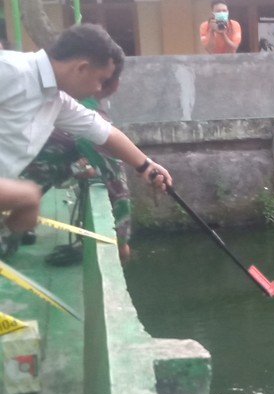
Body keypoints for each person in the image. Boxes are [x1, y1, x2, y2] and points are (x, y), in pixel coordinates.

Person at [0, 23, 172, 258]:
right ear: (82, 68)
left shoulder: (56, 100)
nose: (98, 89)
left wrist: (146, 166)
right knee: (27, 195)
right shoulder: (11, 71)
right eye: (101, 80)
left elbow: (103, 132)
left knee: (27, 199)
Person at [21, 51, 134, 261]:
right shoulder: (87, 119)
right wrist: (122, 243)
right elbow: (117, 185)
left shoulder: (48, 98)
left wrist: (79, 166)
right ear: (115, 85)